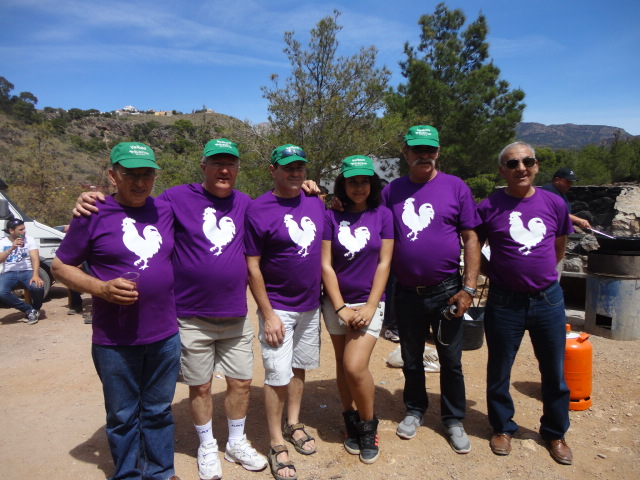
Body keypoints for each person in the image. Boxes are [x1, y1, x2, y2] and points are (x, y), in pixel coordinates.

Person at [73, 138, 270, 480]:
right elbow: (132, 204)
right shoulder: (174, 199)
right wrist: (95, 199)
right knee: (201, 386)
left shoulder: (245, 203)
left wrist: (308, 188)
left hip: (234, 313)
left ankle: (234, 443)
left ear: (237, 169)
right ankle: (206, 447)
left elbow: (279, 206)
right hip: (190, 315)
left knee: (240, 382)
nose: (224, 170)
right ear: (203, 167)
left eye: (231, 164)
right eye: (217, 163)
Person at [51, 142, 182, 480]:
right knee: (123, 416)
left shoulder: (165, 210)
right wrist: (101, 289)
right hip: (114, 340)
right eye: (130, 174)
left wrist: (308, 190)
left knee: (158, 411)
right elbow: (61, 267)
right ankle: (127, 475)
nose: (140, 182)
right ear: (113, 175)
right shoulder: (93, 213)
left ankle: (161, 474)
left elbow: (214, 203)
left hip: (165, 334)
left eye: (147, 174)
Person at [380, 125, 481, 454]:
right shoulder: (391, 191)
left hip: (447, 291)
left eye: (430, 149)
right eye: (416, 149)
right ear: (406, 153)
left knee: (451, 359)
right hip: (407, 292)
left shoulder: (456, 188)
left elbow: (471, 238)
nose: (424, 155)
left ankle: (453, 418)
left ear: (437, 152)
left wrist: (468, 288)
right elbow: (370, 223)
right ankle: (414, 408)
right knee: (411, 357)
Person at [477, 142, 574, 465]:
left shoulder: (555, 203)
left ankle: (555, 432)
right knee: (500, 368)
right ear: (502, 170)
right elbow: (476, 249)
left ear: (536, 166)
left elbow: (558, 248)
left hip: (547, 299)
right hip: (504, 301)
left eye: (527, 161)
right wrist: (501, 273)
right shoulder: (488, 206)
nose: (521, 168)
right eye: (513, 163)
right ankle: (502, 426)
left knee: (554, 371)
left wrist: (537, 275)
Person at [245, 144, 325, 480]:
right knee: (277, 376)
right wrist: (267, 313)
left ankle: (293, 423)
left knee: (299, 367)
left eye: (300, 168)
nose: (295, 173)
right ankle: (277, 441)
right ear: (273, 171)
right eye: (288, 168)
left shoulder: (315, 202)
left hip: (311, 305)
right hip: (279, 307)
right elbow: (252, 265)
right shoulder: (258, 208)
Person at [321, 155, 393, 464]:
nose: (359, 187)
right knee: (341, 363)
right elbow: (325, 264)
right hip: (336, 303)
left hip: (369, 302)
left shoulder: (383, 215)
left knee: (354, 365)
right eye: (353, 181)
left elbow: (385, 263)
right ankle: (349, 418)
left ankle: (368, 425)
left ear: (372, 184)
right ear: (343, 184)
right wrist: (339, 307)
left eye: (364, 181)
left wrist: (371, 305)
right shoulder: (330, 217)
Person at [0, 218, 44, 324]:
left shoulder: (30, 240)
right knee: (1, 292)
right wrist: (11, 248)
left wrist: (36, 275)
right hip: (9, 272)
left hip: (26, 271)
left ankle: (36, 308)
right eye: (20, 229)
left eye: (24, 229)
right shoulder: (2, 242)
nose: (24, 231)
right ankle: (29, 310)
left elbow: (35, 258)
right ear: (11, 230)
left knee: (38, 286)